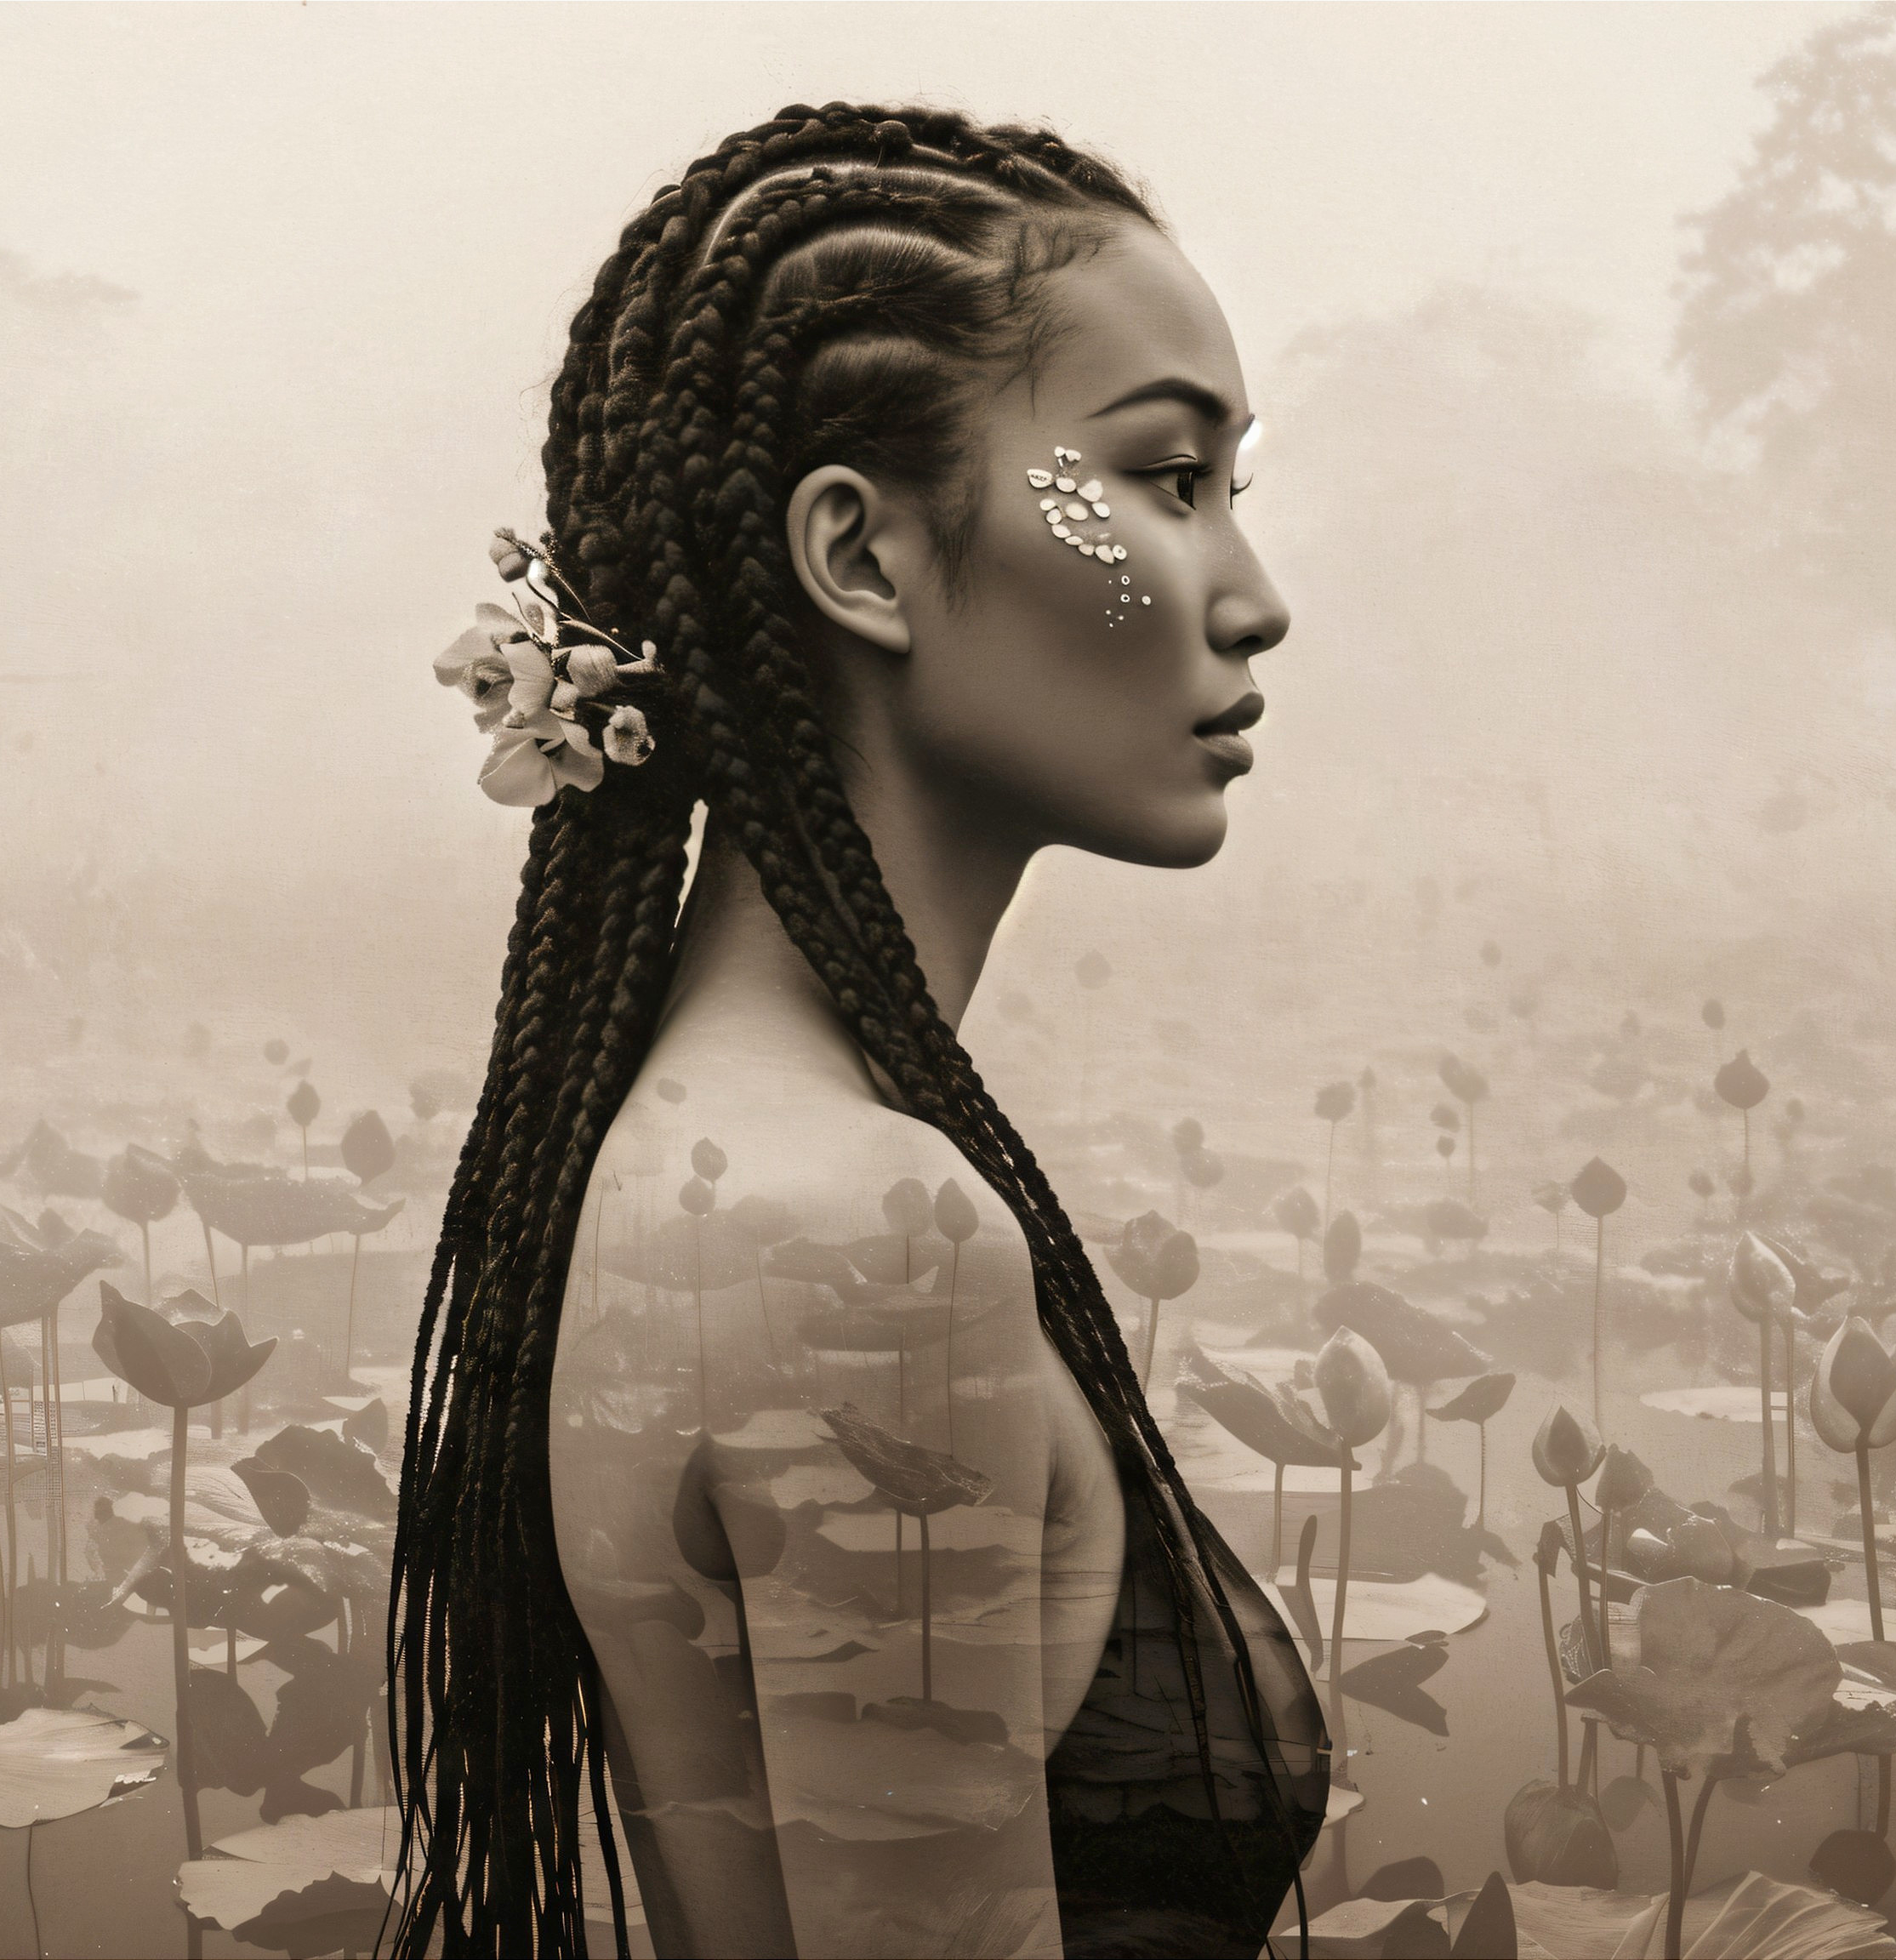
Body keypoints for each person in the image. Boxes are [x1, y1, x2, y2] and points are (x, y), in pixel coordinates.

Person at [389, 103, 1322, 1959]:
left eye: (1237, 491)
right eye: (1160, 480)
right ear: (865, 559)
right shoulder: (842, 1236)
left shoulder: (727, 1155)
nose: (1255, 599)